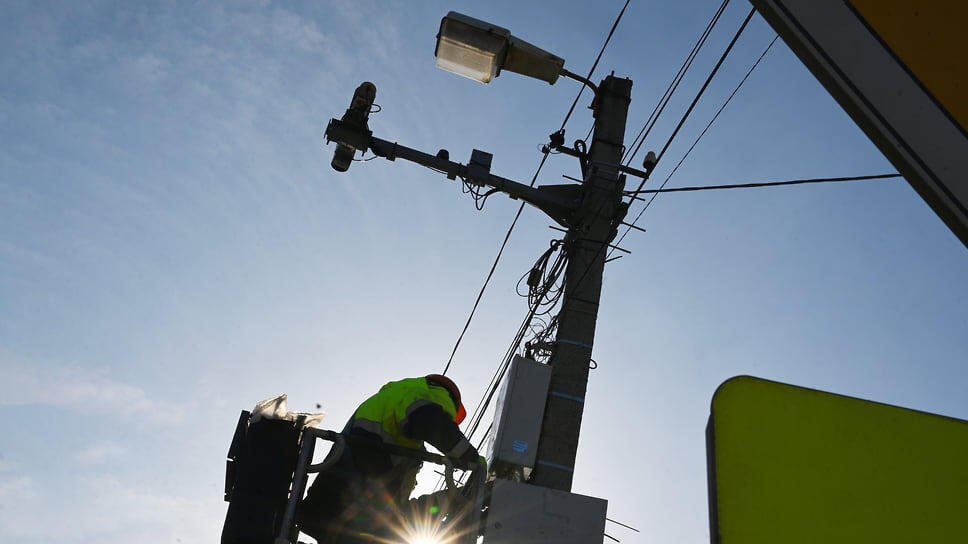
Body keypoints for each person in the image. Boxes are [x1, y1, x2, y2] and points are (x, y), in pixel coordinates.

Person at [297, 374, 483, 543]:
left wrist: (455, 499)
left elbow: (399, 511)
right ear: (444, 398)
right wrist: (472, 459)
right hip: (351, 509)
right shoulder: (417, 396)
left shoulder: (395, 415)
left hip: (336, 511)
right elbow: (430, 420)